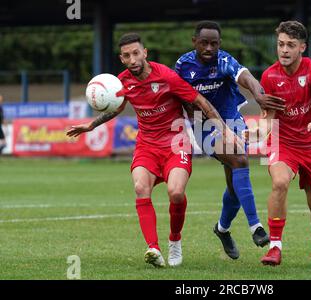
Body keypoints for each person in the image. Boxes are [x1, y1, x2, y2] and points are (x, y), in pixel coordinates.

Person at [67, 33, 239, 268]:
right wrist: (91, 124)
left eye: (136, 53)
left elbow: (200, 101)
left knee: (176, 193)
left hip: (175, 144)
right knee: (140, 187)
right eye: (127, 56)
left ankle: (175, 241)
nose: (133, 59)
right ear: (122, 58)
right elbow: (116, 107)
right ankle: (153, 248)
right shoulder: (121, 82)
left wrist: (224, 130)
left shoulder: (167, 76)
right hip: (146, 146)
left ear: (145, 53)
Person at [175, 21, 286, 260]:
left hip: (232, 119)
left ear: (219, 44)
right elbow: (180, 98)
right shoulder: (183, 66)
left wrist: (258, 95)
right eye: (203, 42)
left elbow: (245, 77)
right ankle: (256, 227)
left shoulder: (224, 59)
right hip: (203, 125)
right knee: (240, 159)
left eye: (214, 43)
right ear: (194, 41)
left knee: (235, 187)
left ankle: (222, 229)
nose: (209, 48)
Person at [258, 21, 311, 268]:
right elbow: (268, 117)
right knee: (280, 182)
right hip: (283, 141)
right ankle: (275, 247)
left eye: (291, 45)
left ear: (302, 47)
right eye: (281, 44)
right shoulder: (269, 76)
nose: (284, 50)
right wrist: (258, 133)